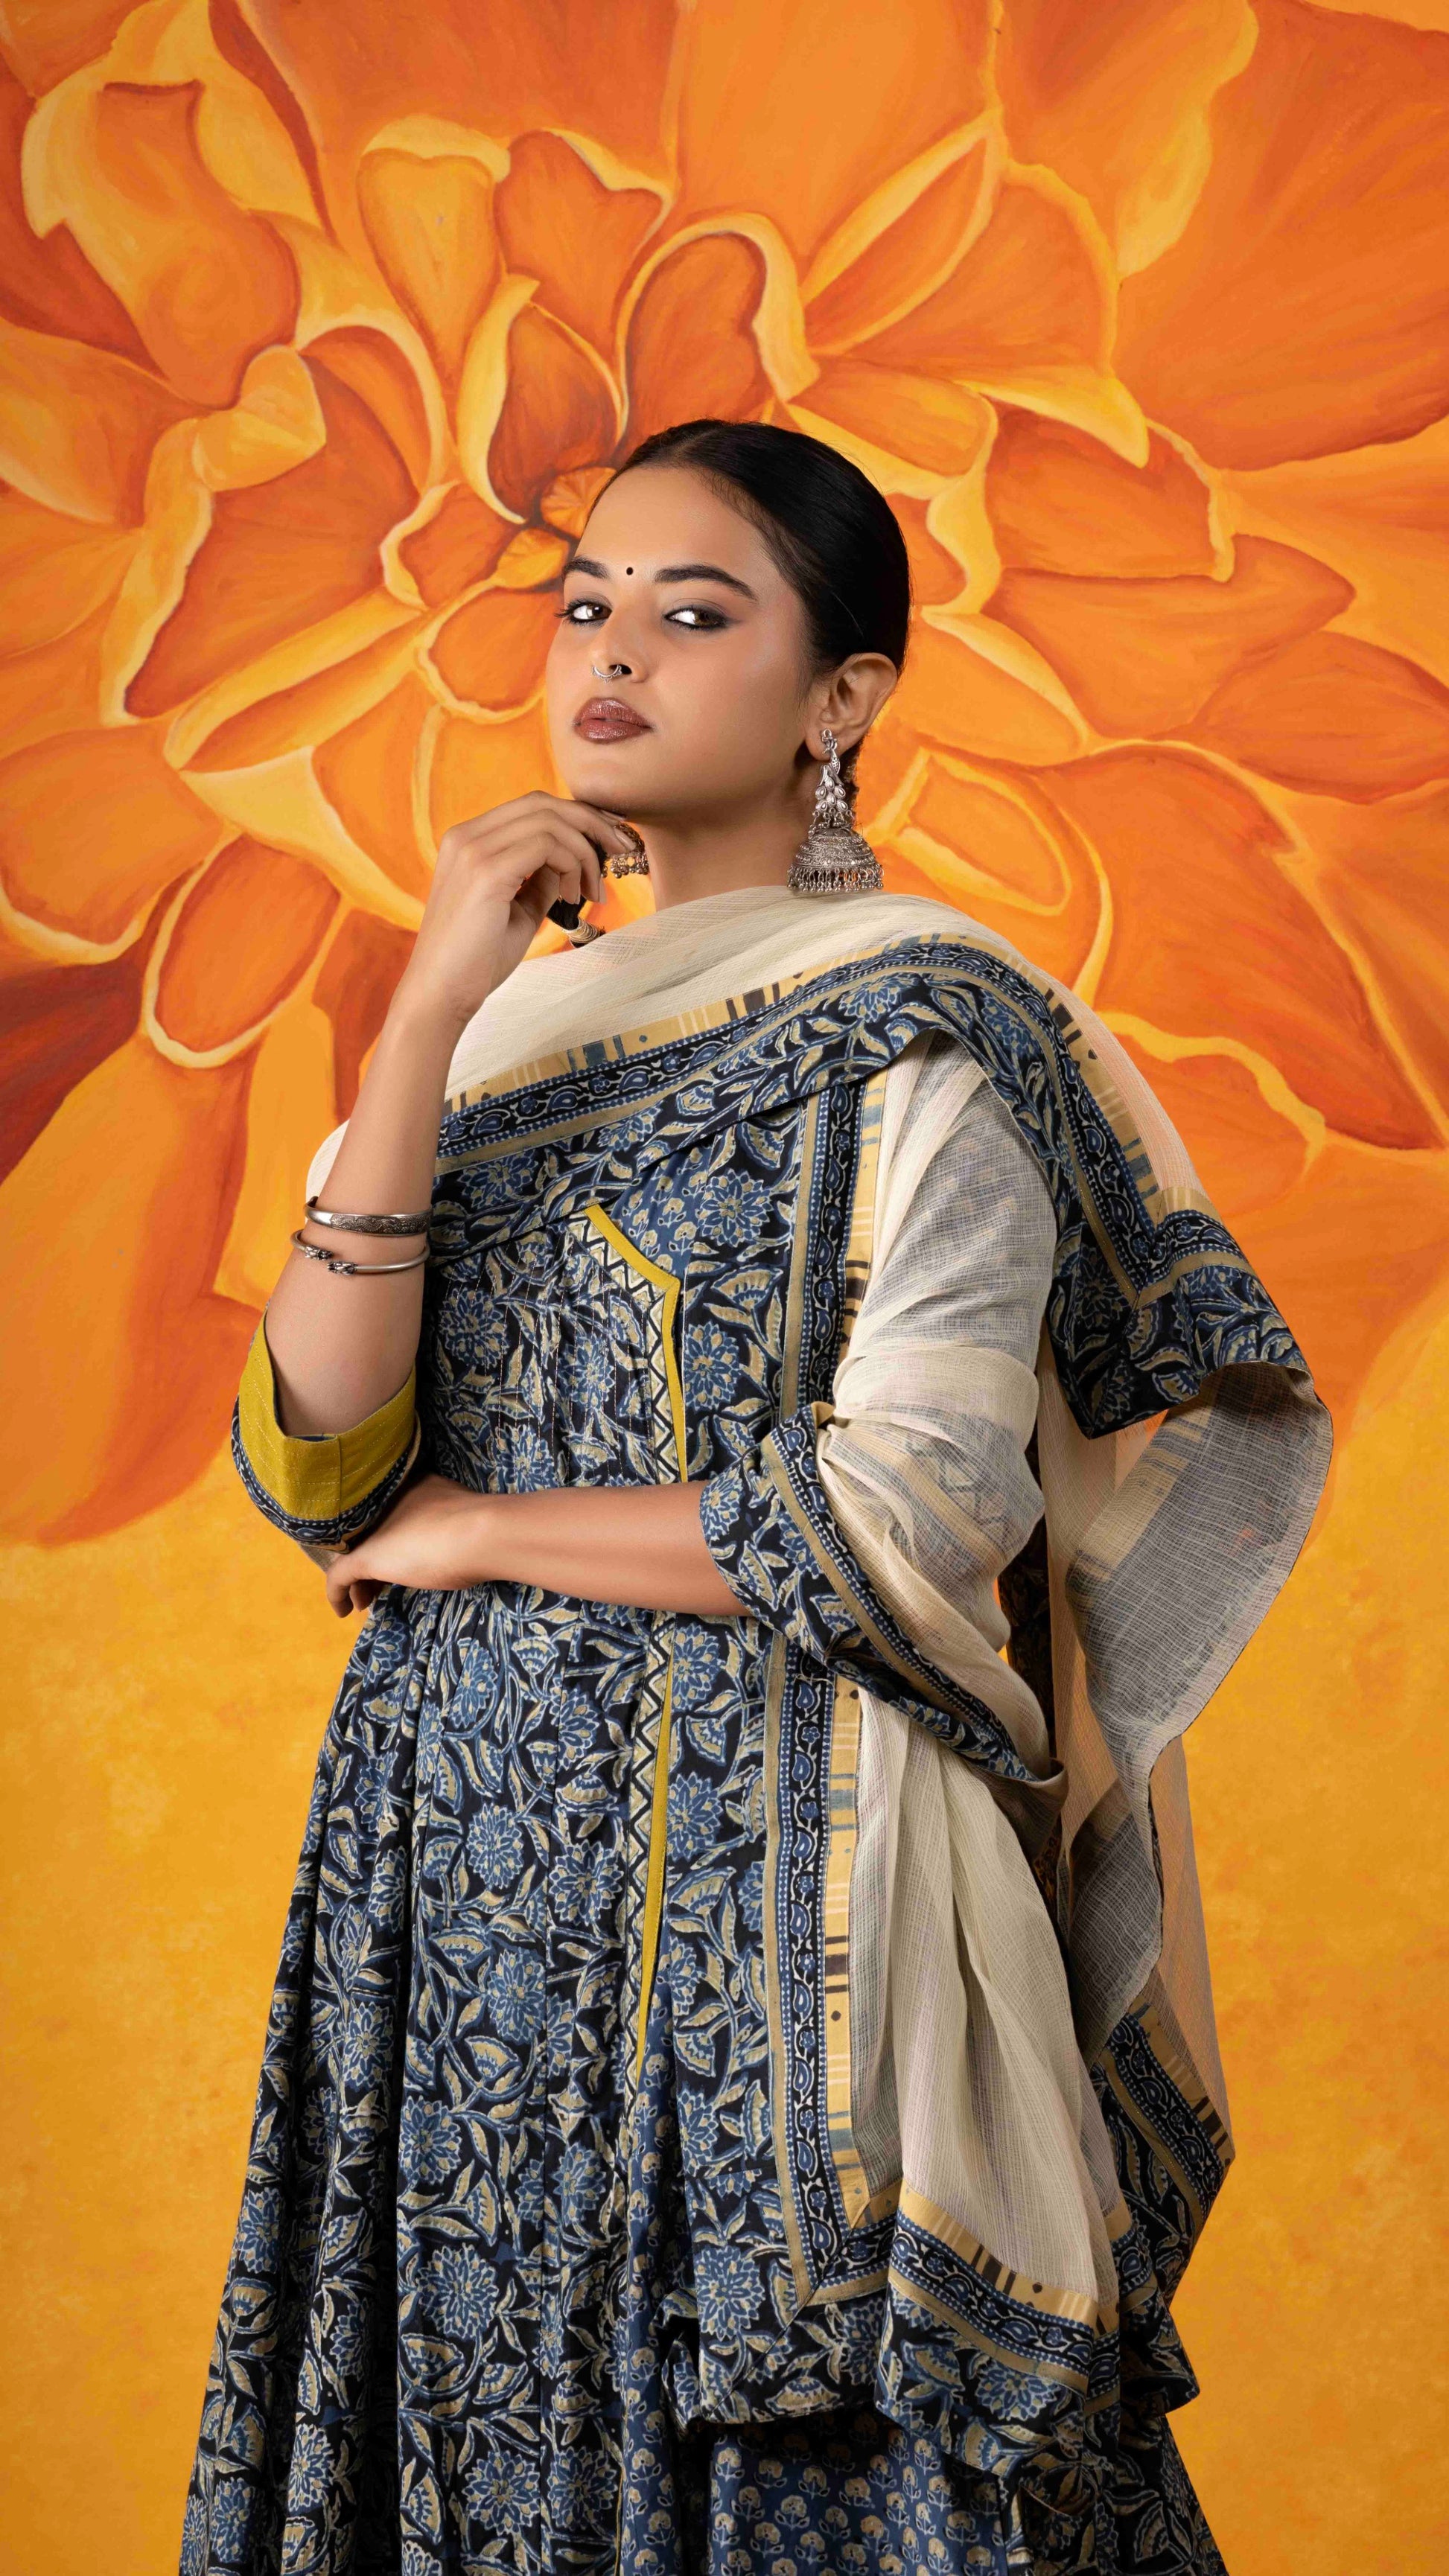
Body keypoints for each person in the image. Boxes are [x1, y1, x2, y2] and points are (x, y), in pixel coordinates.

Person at [182, 419, 1331, 2576]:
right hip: (454, 1890)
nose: (610, 654)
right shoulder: (489, 1043)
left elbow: (908, 1511)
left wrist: (478, 1533)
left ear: (839, 700)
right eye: (584, 607)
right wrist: (423, 1010)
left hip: (790, 1901)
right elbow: (313, 1457)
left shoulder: (931, 1036)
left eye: (693, 613)